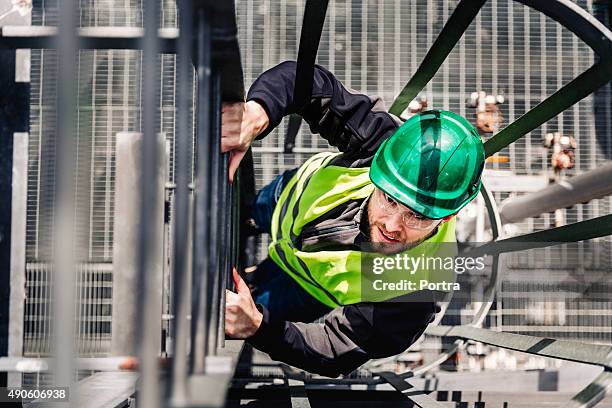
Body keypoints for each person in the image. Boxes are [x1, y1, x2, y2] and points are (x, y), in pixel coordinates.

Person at [222, 61, 485, 377]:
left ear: (448, 216)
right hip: (287, 197)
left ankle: (250, 277)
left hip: (304, 286)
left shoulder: (415, 294)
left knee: (244, 301)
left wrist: (258, 327)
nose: (391, 225)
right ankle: (249, 222)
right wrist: (259, 110)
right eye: (389, 197)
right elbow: (309, 84)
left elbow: (336, 349)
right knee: (253, 211)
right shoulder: (383, 142)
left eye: (417, 216)